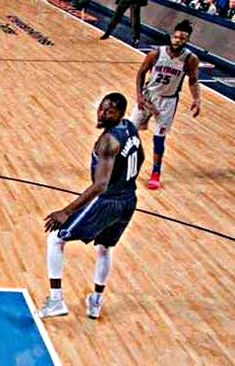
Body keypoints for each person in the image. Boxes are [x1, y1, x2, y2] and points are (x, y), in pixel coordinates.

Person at [38, 93, 144, 320]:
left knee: (55, 238)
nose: (102, 114)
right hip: (128, 200)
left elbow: (100, 185)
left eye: (109, 112)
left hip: (108, 201)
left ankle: (56, 301)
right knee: (105, 247)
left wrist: (66, 211)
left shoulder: (108, 141)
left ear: (120, 113)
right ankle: (95, 301)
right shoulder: (129, 128)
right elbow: (141, 157)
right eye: (101, 109)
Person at [131, 20, 201, 190]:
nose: (178, 41)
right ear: (171, 37)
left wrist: (197, 99)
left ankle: (156, 173)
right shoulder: (156, 54)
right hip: (149, 96)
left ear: (187, 40)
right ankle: (128, 162)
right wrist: (139, 96)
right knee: (131, 131)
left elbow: (193, 80)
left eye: (182, 39)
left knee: (159, 139)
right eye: (176, 37)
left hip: (168, 101)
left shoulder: (190, 59)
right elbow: (141, 73)